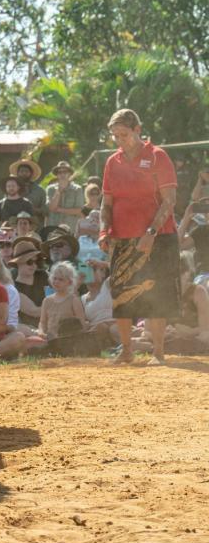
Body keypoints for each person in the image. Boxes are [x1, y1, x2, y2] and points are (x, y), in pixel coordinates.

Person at [99, 108, 180, 365]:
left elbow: (169, 201)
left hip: (159, 236)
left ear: (137, 130)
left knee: (157, 292)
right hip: (123, 237)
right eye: (115, 136)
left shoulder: (158, 157)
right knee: (122, 293)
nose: (119, 140)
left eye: (123, 134)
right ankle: (126, 351)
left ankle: (157, 353)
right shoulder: (113, 162)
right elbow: (106, 203)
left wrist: (150, 233)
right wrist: (104, 230)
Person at [37, 261, 87, 340]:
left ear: (69, 282)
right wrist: (41, 331)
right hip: (50, 338)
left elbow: (81, 324)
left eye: (61, 280)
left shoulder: (73, 300)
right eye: (55, 278)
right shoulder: (47, 300)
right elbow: (42, 322)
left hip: (68, 339)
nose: (56, 281)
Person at [46, 161, 84, 231]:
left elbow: (78, 210)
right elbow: (51, 208)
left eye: (65, 172)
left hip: (71, 228)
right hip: (54, 227)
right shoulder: (50, 189)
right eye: (59, 172)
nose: (62, 174)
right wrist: (58, 191)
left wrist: (59, 209)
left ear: (69, 173)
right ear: (57, 175)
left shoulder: (77, 189)